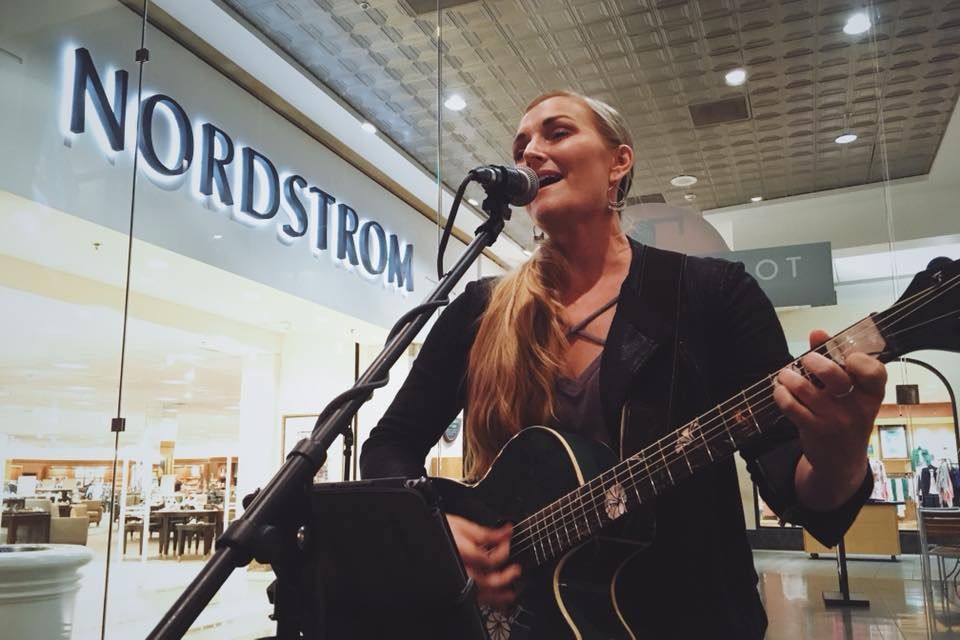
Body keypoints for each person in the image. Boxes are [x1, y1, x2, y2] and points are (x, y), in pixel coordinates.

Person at [360, 90, 887, 638]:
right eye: (520, 147)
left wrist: (840, 452)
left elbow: (795, 486)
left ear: (619, 162)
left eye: (557, 132)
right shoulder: (481, 309)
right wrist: (432, 532)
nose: (531, 152)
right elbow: (389, 444)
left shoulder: (711, 295)